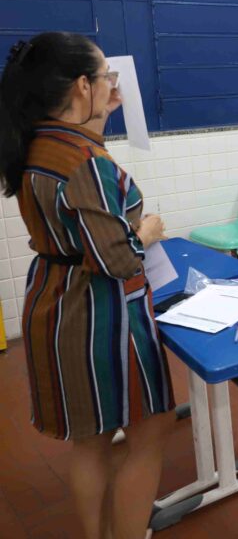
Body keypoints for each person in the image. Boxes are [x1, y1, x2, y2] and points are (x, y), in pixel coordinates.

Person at [0, 33, 173, 539]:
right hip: (100, 314)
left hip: (54, 299)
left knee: (91, 439)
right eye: (105, 78)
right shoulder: (86, 162)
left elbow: (78, 209)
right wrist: (146, 231)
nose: (112, 86)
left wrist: (96, 118)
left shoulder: (37, 143)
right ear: (82, 85)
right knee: (151, 431)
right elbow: (118, 259)